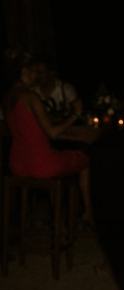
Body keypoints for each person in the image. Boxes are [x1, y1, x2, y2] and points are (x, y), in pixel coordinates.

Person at [4, 54, 94, 226]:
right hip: (41, 164)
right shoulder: (31, 97)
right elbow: (52, 133)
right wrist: (75, 114)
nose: (37, 76)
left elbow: (29, 130)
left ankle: (49, 216)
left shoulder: (8, 97)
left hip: (17, 164)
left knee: (59, 157)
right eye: (34, 72)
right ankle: (87, 213)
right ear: (23, 72)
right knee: (84, 160)